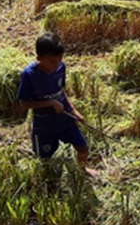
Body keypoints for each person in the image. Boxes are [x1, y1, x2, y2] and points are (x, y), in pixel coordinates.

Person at [17, 33, 98, 177]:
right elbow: (24, 103)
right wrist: (50, 103)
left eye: (60, 59)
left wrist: (73, 110)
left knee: (83, 147)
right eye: (52, 61)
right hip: (44, 125)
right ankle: (46, 180)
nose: (57, 64)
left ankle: (83, 170)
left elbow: (61, 91)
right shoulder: (29, 75)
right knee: (44, 158)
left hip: (65, 118)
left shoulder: (61, 68)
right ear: (39, 58)